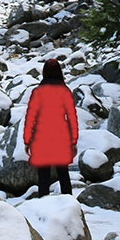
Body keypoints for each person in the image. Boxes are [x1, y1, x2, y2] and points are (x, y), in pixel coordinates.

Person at [23, 58, 78, 196]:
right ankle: (69, 206)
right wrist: (73, 141)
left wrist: (27, 140)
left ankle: (44, 208)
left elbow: (30, 118)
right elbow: (72, 118)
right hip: (61, 137)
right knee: (64, 175)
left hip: (42, 137)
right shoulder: (65, 91)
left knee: (43, 178)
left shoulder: (38, 92)